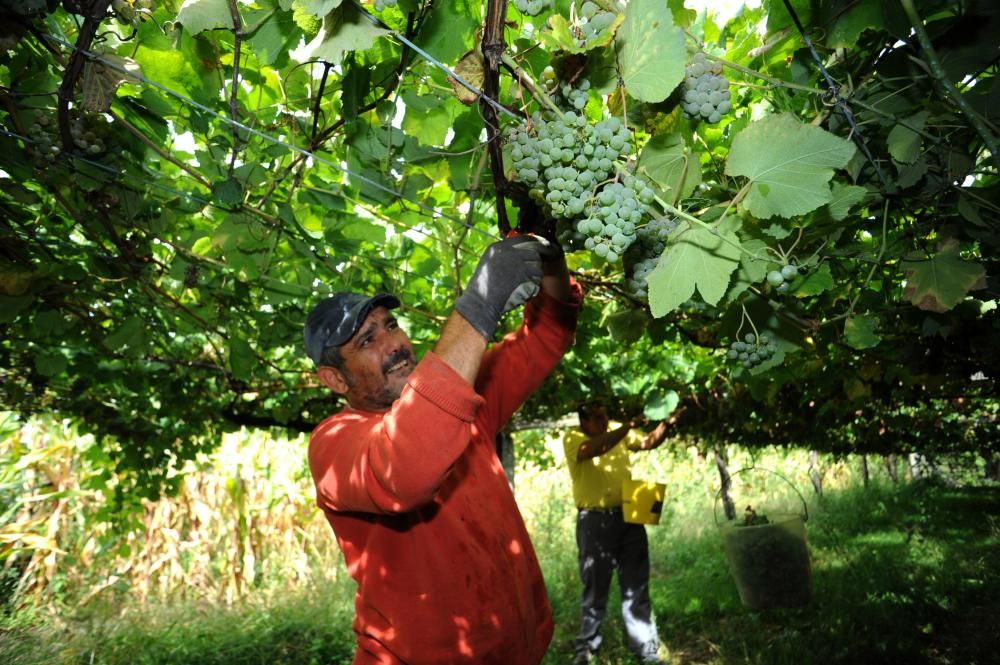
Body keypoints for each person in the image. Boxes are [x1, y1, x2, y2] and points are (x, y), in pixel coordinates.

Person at [303, 234, 581, 665]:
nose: (393, 344)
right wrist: (478, 306)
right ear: (335, 380)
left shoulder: (463, 405)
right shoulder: (333, 443)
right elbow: (407, 469)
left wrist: (549, 253)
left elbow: (548, 332)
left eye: (390, 325)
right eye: (366, 341)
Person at [563, 400, 672, 665]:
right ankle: (586, 649)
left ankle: (646, 650)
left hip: (629, 513)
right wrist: (626, 427)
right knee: (595, 587)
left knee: (636, 584)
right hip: (594, 521)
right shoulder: (574, 438)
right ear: (583, 421)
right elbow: (595, 448)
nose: (604, 421)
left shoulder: (616, 430)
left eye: (605, 416)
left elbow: (646, 442)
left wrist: (666, 424)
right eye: (598, 418)